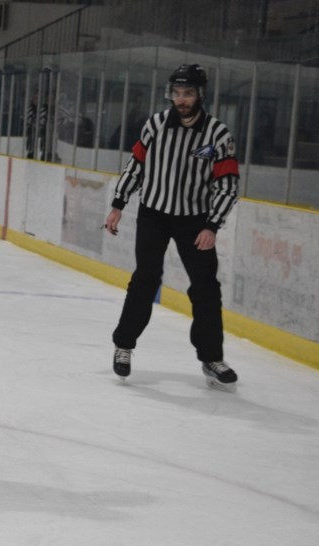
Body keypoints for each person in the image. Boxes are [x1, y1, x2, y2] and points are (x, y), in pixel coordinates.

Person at [103, 64, 241, 391]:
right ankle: (124, 345)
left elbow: (228, 185)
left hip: (195, 220)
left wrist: (212, 225)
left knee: (206, 287)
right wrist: (118, 205)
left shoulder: (218, 135)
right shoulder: (155, 125)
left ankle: (211, 357)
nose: (181, 99)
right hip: (154, 214)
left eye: (188, 93)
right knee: (145, 279)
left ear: (200, 95)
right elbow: (136, 166)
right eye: (177, 93)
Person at [25, 90, 48, 159]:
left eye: (38, 98)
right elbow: (28, 120)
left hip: (42, 139)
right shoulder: (30, 109)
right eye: (35, 98)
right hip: (32, 138)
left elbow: (44, 122)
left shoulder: (44, 110)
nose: (36, 100)